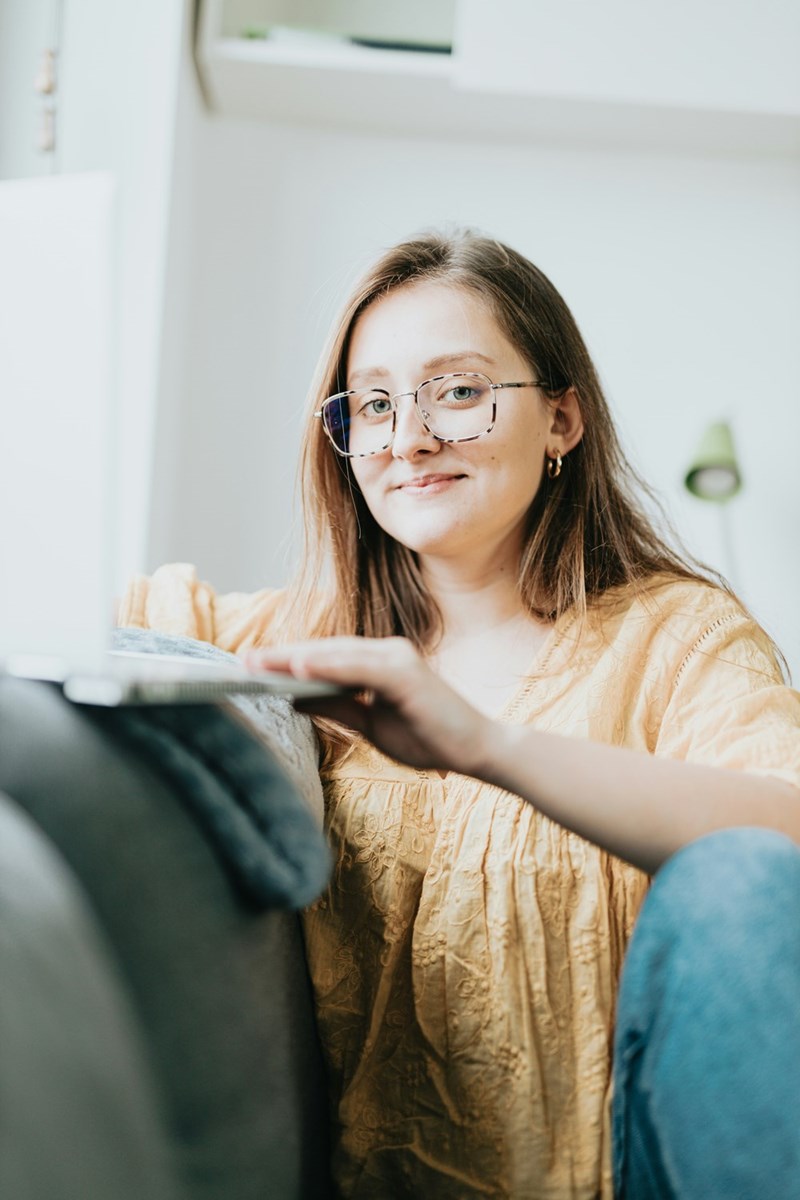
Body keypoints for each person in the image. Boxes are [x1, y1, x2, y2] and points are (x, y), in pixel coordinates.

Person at [121, 230, 800, 1199]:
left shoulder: (673, 632)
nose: (407, 438)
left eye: (458, 390)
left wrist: (487, 747)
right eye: (375, 403)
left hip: (641, 1168)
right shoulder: (288, 638)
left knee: (737, 874)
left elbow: (782, 836)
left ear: (560, 419)